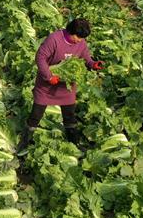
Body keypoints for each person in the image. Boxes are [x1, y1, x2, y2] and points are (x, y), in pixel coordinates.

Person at [18, 18, 103, 151]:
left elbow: (86, 58)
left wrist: (93, 64)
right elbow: (40, 57)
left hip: (66, 88)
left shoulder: (81, 43)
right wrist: (49, 76)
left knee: (69, 117)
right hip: (46, 86)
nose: (80, 40)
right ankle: (24, 143)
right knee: (36, 115)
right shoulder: (55, 39)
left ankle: (74, 144)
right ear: (70, 31)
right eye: (78, 37)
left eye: (82, 38)